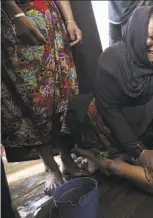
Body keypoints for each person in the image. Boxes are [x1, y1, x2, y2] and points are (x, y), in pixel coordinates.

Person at [66, 5, 153, 181]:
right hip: (119, 124)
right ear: (137, 33)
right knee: (90, 107)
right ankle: (119, 153)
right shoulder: (111, 61)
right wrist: (139, 152)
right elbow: (109, 109)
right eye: (152, 37)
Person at [1, 0, 87, 195]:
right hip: (17, 20)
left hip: (51, 20)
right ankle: (49, 165)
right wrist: (16, 15)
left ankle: (66, 156)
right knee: (32, 98)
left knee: (64, 91)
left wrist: (70, 20)